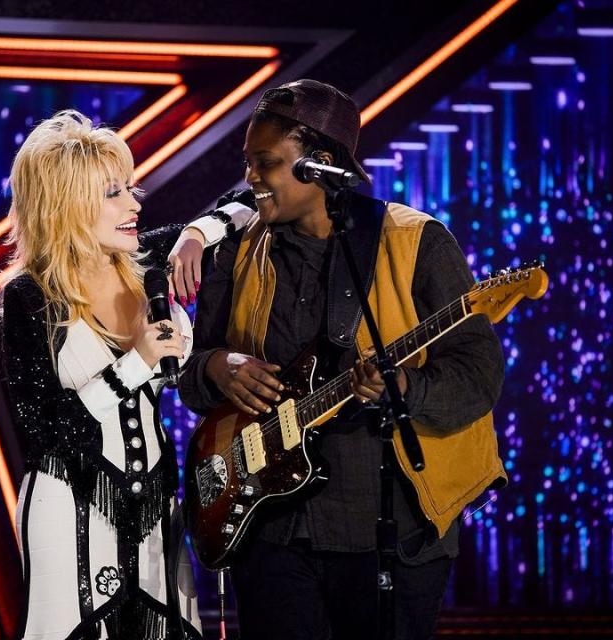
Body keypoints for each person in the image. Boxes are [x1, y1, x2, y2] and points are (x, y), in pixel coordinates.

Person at [177, 80, 507, 640]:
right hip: (273, 533)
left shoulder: (417, 242)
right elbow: (189, 376)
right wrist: (214, 367)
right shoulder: (235, 252)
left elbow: (479, 376)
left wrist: (406, 387)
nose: (251, 178)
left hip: (390, 536)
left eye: (267, 163)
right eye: (248, 163)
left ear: (319, 166)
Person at [1, 109, 208, 640]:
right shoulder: (29, 299)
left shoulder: (147, 261)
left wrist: (194, 235)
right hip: (69, 506)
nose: (134, 203)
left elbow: (244, 208)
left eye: (130, 188)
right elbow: (47, 432)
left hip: (159, 508)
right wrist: (135, 363)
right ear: (66, 206)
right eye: (113, 192)